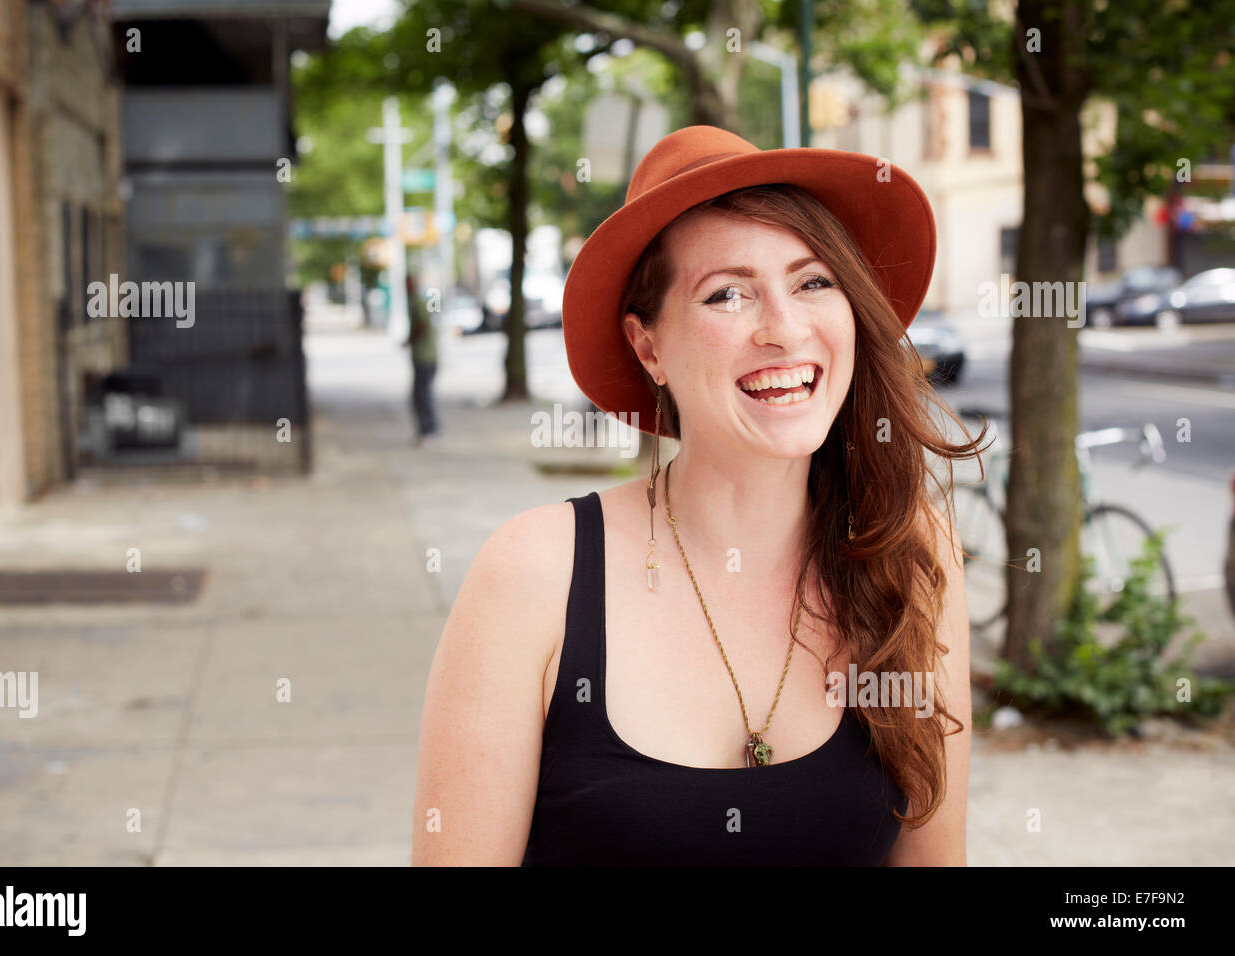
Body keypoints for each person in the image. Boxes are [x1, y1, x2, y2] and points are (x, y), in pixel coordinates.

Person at [412, 125, 986, 865]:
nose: (785, 329)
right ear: (648, 346)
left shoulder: (911, 552)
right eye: (728, 294)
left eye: (814, 281)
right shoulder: (535, 573)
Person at [404, 272, 439, 445]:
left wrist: (410, 339)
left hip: (427, 357)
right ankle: (426, 428)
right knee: (420, 395)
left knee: (422, 394)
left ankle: (429, 429)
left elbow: (423, 324)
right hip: (423, 357)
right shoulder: (414, 302)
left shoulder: (418, 302)